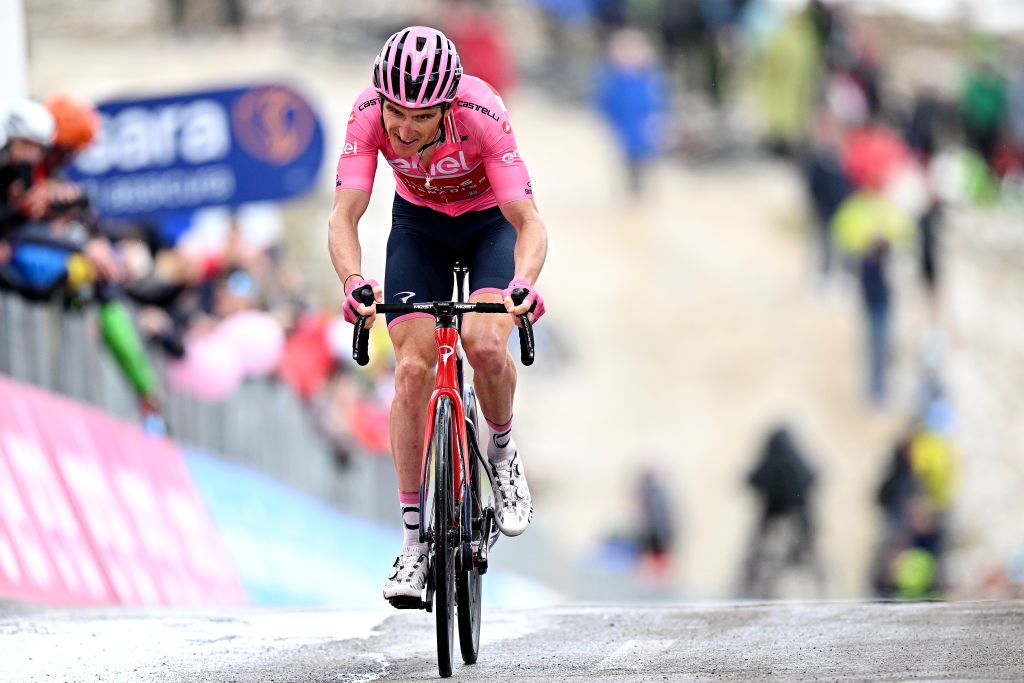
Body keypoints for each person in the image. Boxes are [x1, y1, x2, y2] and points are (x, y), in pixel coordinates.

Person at [328, 26, 548, 605]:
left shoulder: (483, 112)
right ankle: (412, 544)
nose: (401, 127)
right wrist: (353, 282)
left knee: (484, 344)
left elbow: (528, 223)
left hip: (488, 226)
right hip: (418, 228)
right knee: (408, 373)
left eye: (418, 117)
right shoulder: (368, 113)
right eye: (395, 111)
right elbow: (344, 216)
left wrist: (522, 283)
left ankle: (499, 452)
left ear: (448, 106)